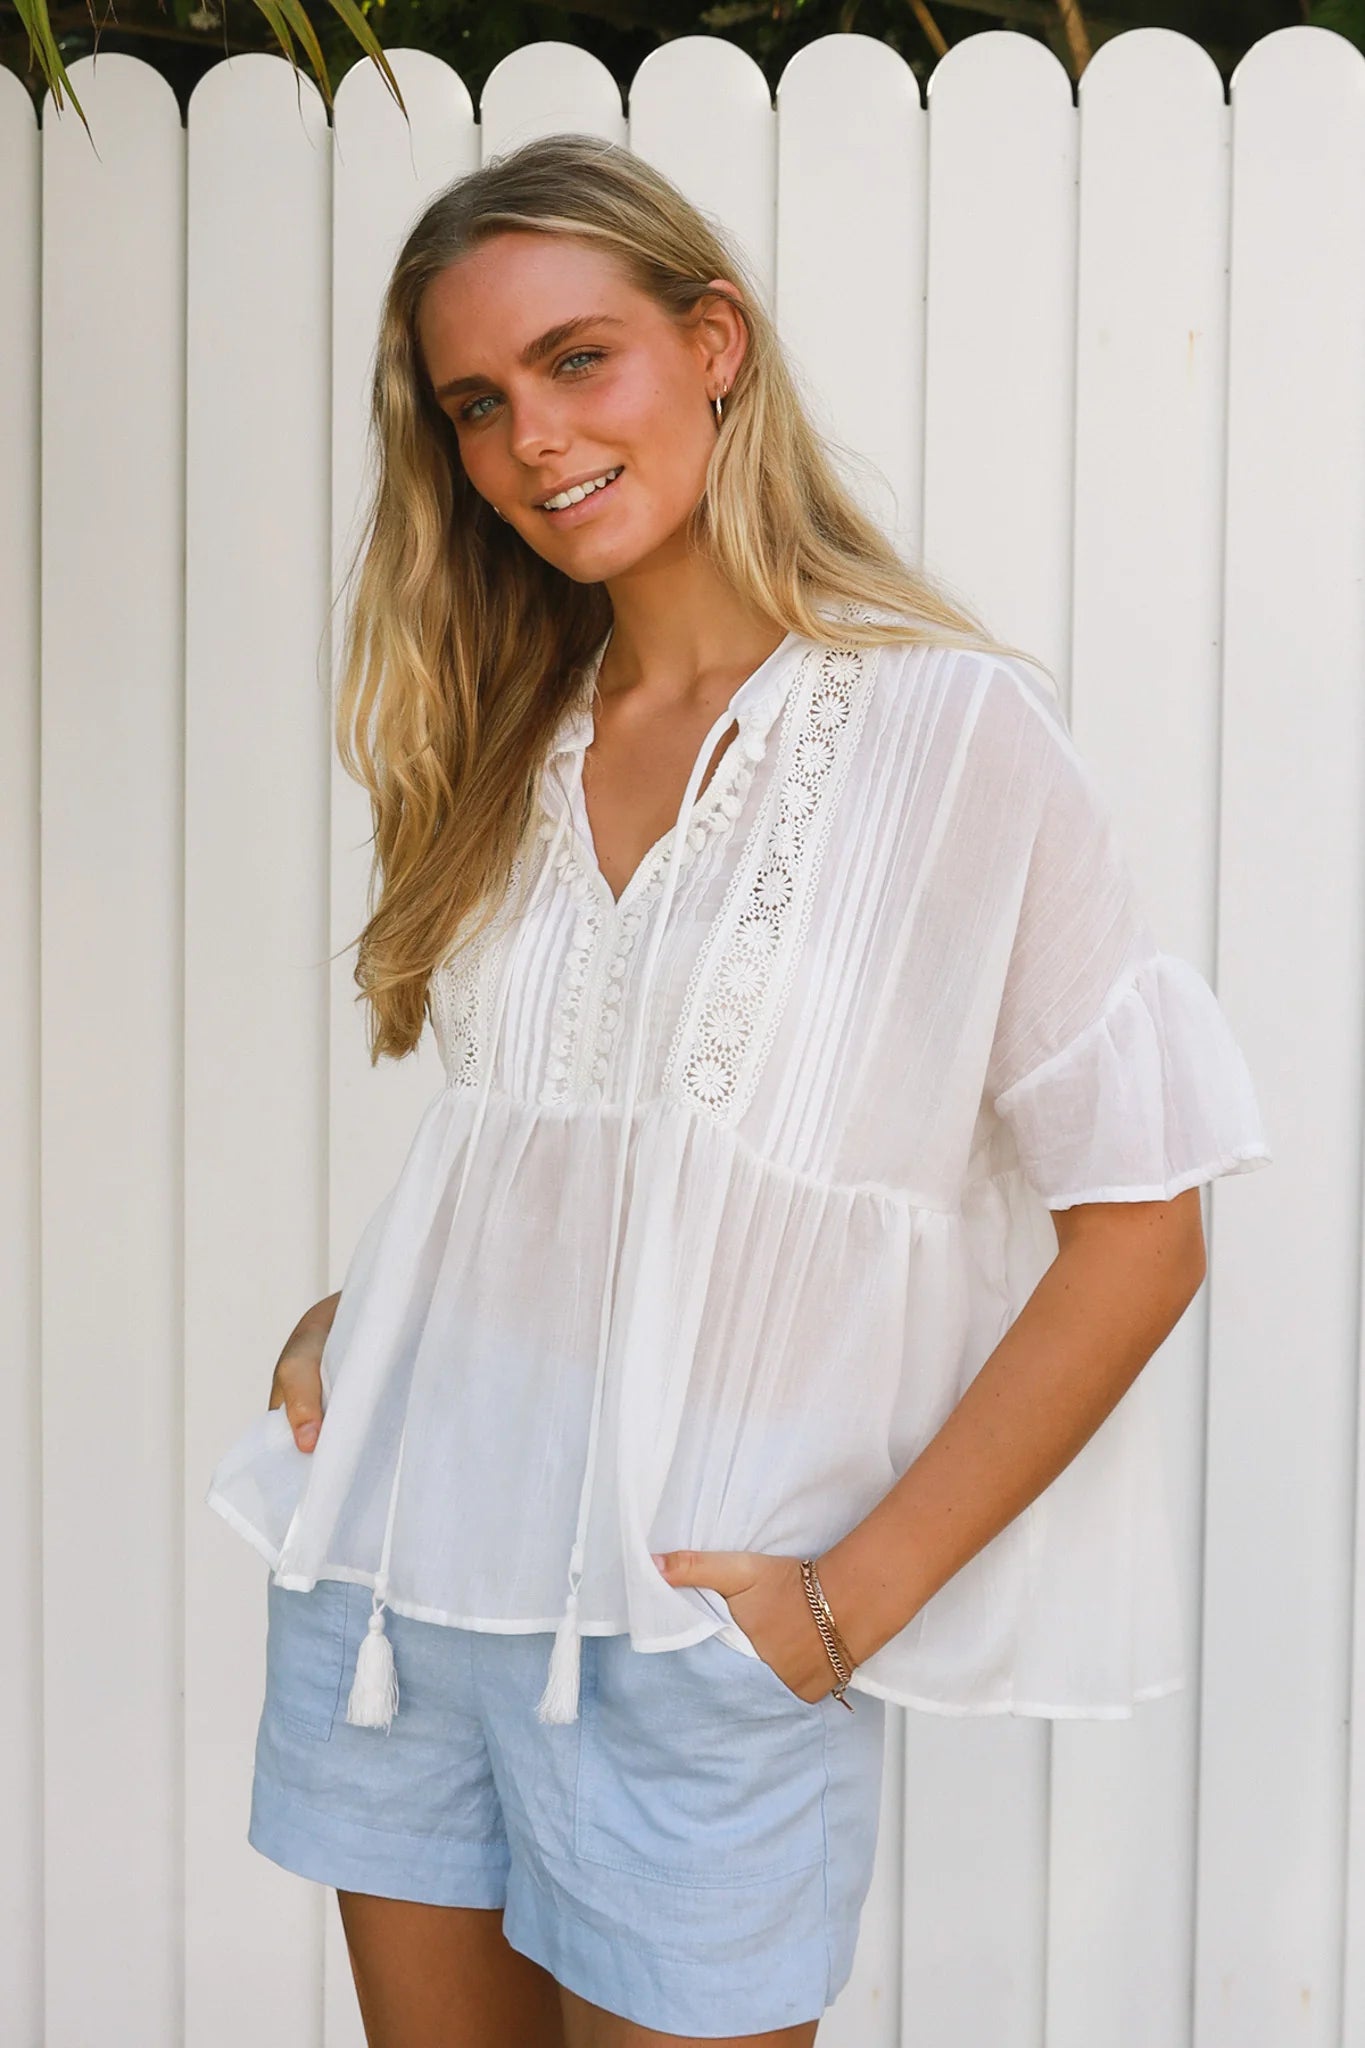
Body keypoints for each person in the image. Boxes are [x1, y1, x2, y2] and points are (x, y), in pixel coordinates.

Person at [205, 132, 1273, 2047]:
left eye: (575, 361)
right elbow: (564, 1155)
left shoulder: (950, 732)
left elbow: (1142, 1229)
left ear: (712, 344)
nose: (531, 439)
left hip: (694, 1639)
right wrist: (368, 1315)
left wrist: (845, 1604)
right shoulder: (511, 735)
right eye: (475, 404)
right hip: (396, 1591)